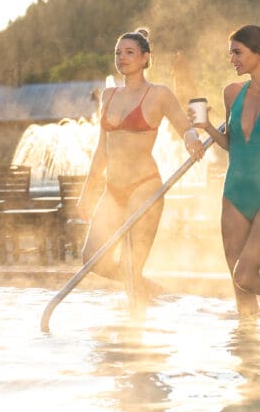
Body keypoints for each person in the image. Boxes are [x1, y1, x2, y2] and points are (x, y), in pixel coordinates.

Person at [78, 28, 205, 304]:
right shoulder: (108, 95)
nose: (122, 57)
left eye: (129, 52)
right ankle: (146, 287)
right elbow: (102, 148)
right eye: (118, 53)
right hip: (112, 190)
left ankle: (136, 332)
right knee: (90, 258)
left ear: (146, 57)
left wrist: (192, 137)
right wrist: (87, 191)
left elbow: (184, 126)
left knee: (131, 267)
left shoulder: (159, 94)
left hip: (144, 187)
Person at [191, 25, 260, 316]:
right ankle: (249, 355)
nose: (232, 59)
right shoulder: (232, 93)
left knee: (245, 276)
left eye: (237, 52)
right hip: (234, 194)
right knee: (240, 291)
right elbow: (232, 143)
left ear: (259, 52)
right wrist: (206, 128)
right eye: (231, 53)